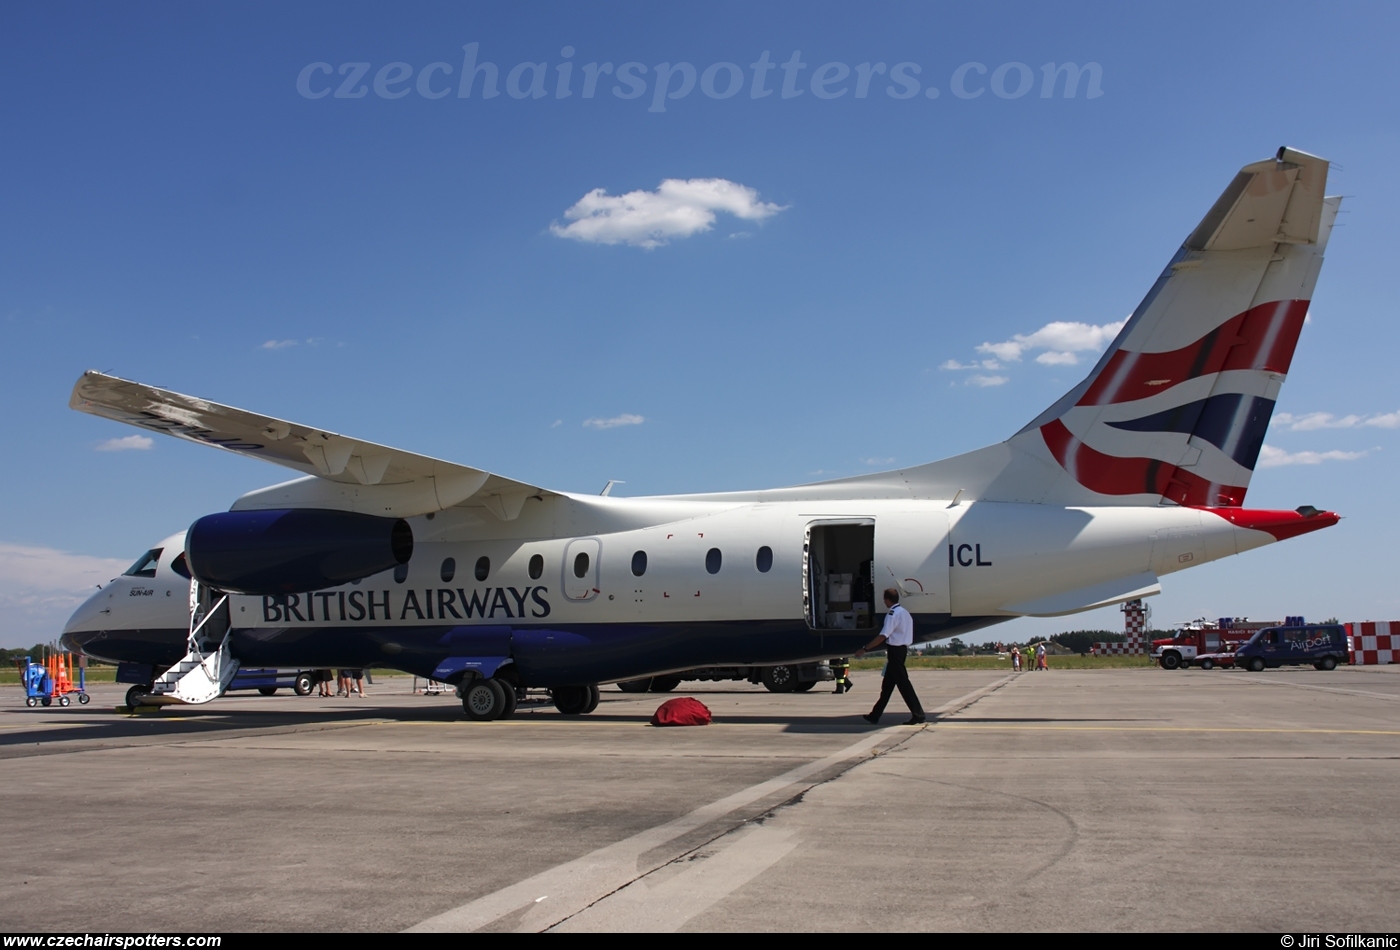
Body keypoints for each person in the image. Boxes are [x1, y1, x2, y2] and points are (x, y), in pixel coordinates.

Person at [854, 588, 925, 725]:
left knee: (904, 685)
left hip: (895, 652)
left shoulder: (892, 614)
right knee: (887, 686)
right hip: (901, 650)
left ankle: (918, 714)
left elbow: (883, 636)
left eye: (884, 599)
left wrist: (865, 649)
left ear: (887, 599)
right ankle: (875, 715)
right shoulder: (905, 613)